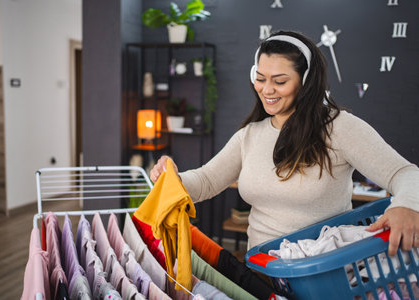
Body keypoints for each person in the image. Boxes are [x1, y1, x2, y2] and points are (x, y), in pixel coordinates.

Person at [150, 30, 419, 256]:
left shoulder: (339, 127)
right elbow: (207, 181)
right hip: (262, 270)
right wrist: (174, 179)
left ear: (306, 82)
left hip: (320, 273)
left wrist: (406, 205)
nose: (267, 90)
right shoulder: (250, 135)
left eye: (279, 81)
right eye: (260, 78)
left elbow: (405, 173)